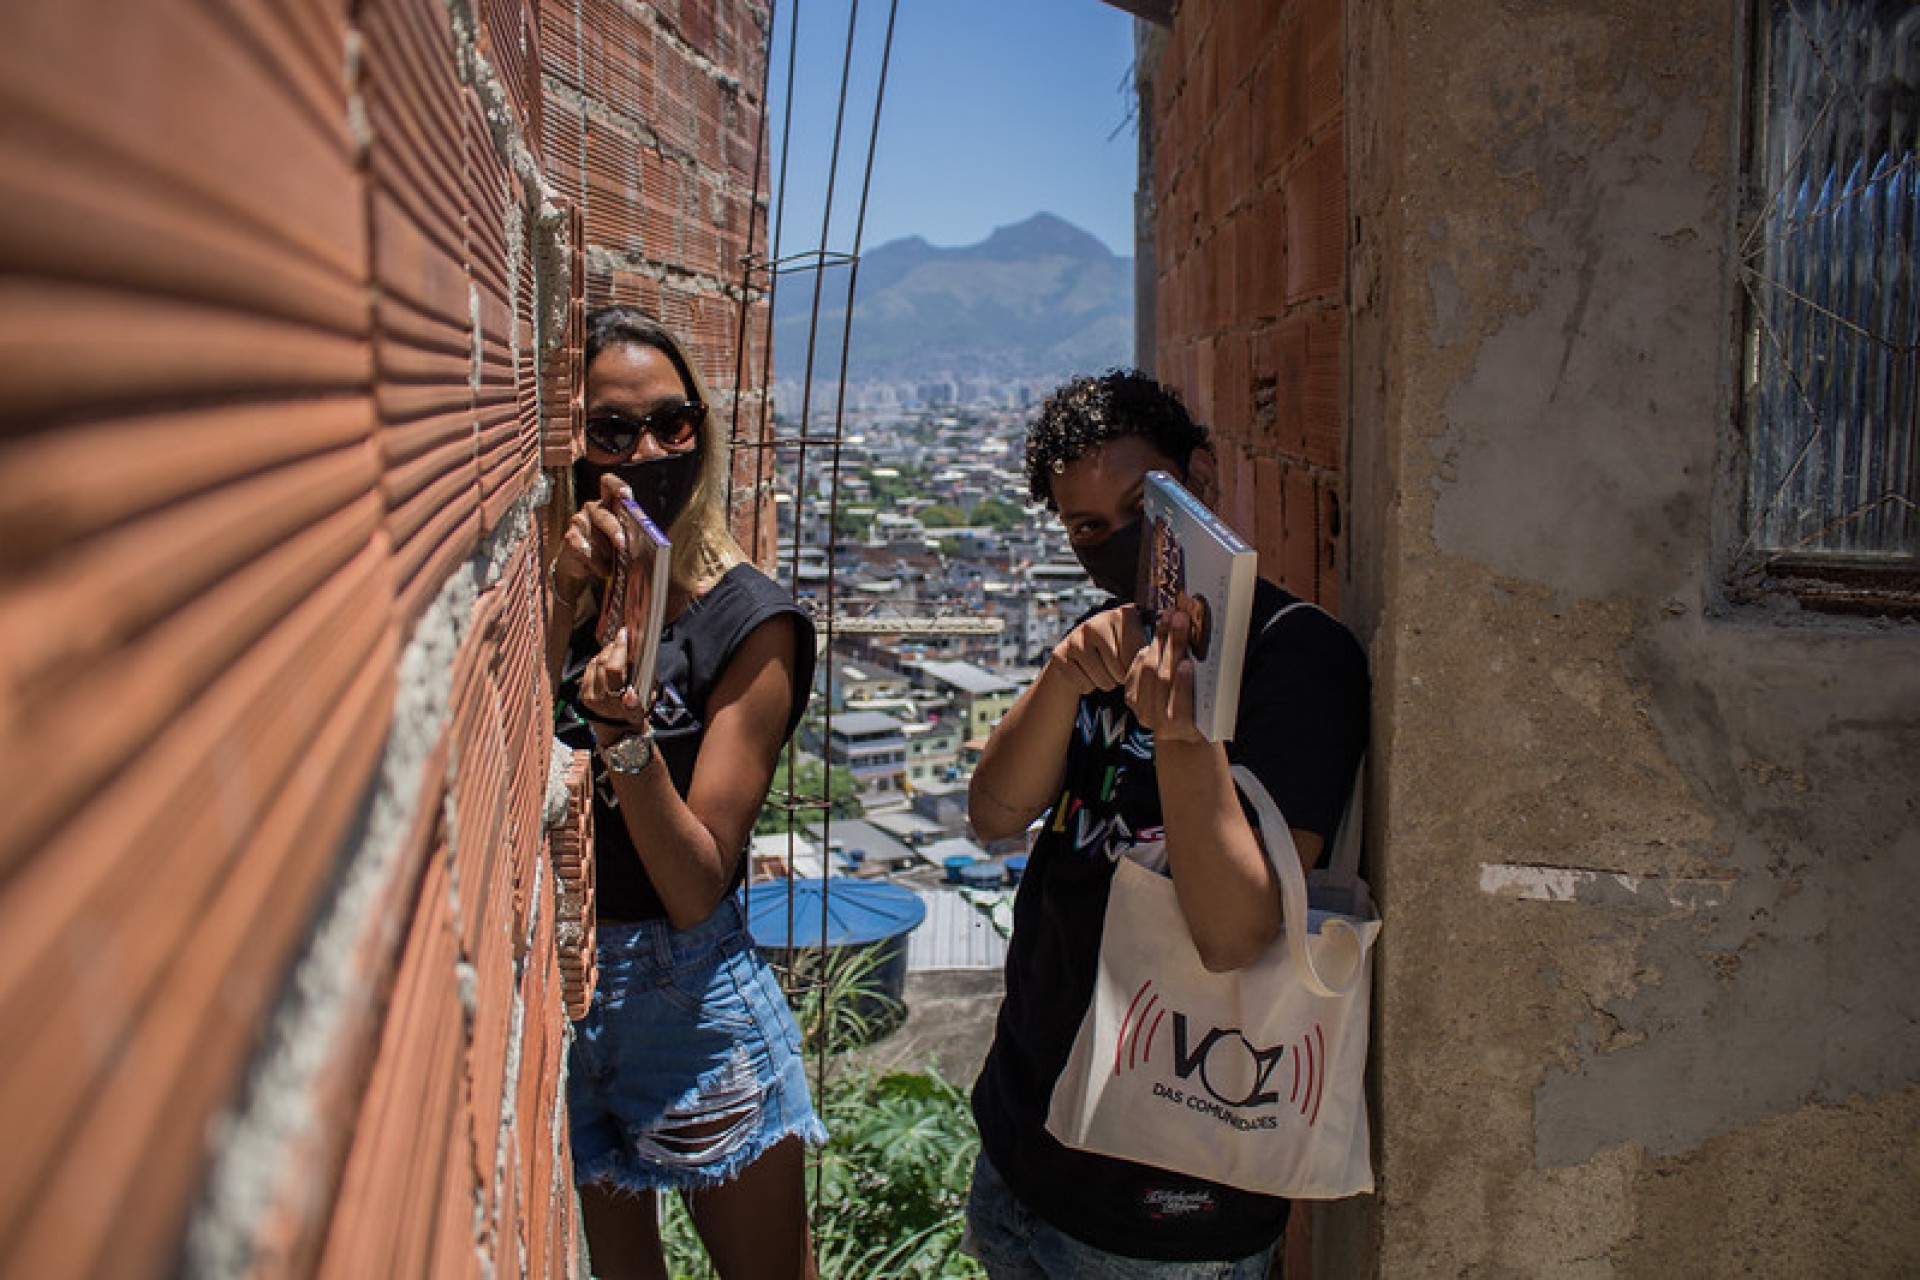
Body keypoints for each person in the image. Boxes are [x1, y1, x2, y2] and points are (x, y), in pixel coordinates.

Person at [965, 371, 1370, 1277]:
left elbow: (1232, 934)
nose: (1120, 542)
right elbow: (992, 812)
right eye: (1086, 528)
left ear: (1204, 481)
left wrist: (1182, 735)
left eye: (1141, 504)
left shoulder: (1295, 659)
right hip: (1025, 1150)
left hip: (1164, 1203)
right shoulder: (1108, 640)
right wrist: (1068, 675)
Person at [548, 306, 822, 1280]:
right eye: (614, 429)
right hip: (564, 988)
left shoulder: (750, 617)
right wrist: (559, 602)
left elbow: (698, 880)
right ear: (573, 443)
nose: (652, 447)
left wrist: (626, 733)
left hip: (686, 991)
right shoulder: (569, 584)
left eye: (675, 421)